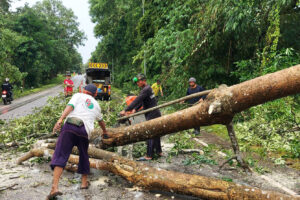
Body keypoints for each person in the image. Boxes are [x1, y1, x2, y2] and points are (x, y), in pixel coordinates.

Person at [47, 84, 108, 199]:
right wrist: (105, 132)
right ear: (95, 94)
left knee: (61, 154)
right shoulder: (96, 105)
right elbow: (101, 121)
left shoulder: (78, 95)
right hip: (84, 131)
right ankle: (84, 183)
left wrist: (60, 120)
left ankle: (54, 187)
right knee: (84, 155)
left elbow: (70, 107)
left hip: (70, 126)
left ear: (84, 90)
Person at [120, 73, 163, 161]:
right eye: (137, 82)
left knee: (150, 133)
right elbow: (142, 101)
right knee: (157, 132)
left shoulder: (146, 89)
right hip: (155, 112)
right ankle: (159, 151)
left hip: (152, 113)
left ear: (144, 81)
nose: (138, 83)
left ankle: (149, 155)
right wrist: (135, 109)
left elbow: (138, 99)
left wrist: (126, 109)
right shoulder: (147, 88)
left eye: (139, 81)